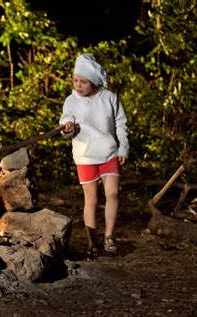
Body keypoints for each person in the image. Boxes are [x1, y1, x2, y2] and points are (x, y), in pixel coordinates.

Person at [59, 53, 129, 258]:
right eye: (75, 80)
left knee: (113, 194)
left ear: (95, 82)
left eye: (83, 81)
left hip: (109, 152)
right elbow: (66, 125)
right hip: (85, 155)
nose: (78, 85)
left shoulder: (110, 98)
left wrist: (123, 148)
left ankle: (109, 237)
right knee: (91, 200)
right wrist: (67, 128)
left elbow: (121, 124)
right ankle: (92, 241)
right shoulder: (71, 101)